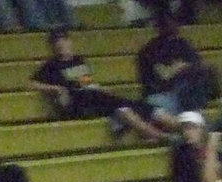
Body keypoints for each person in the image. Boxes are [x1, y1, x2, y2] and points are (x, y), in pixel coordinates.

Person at [30, 28, 165, 141]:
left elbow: (85, 81)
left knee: (126, 108)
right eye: (56, 42)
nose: (60, 44)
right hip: (79, 103)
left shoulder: (79, 60)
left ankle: (159, 130)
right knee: (124, 106)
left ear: (69, 41)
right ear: (51, 46)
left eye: (63, 40)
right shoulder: (51, 65)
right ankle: (158, 134)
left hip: (91, 96)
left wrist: (97, 87)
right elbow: (32, 83)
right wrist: (55, 89)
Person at [136, 11, 219, 130]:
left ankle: (196, 125)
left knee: (205, 74)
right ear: (159, 26)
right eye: (168, 23)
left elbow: (198, 67)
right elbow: (164, 77)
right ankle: (195, 128)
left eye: (174, 22)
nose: (174, 26)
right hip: (161, 96)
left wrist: (179, 69)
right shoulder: (149, 51)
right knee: (184, 94)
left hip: (186, 92)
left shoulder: (183, 44)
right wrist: (181, 68)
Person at [171, 110, 222, 182]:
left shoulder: (218, 153)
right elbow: (208, 180)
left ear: (202, 130)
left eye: (193, 128)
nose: (188, 132)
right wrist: (211, 148)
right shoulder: (182, 154)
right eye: (184, 129)